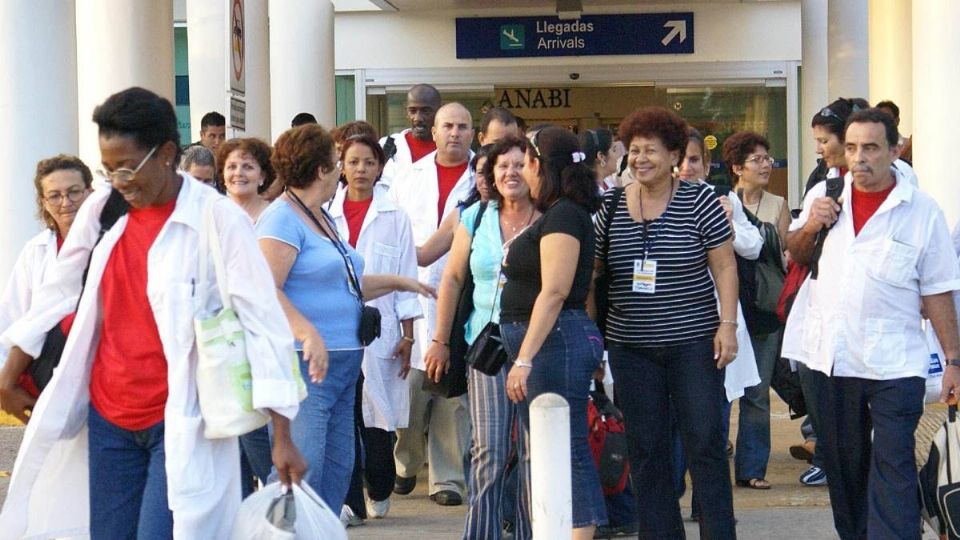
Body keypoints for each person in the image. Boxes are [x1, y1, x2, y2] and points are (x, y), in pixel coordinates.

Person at [0, 87, 306, 538]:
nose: (119, 181)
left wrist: (282, 434)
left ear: (166, 154)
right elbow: (56, 292)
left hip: (182, 418)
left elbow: (262, 321)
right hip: (109, 419)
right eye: (108, 170)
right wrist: (8, 376)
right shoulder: (104, 210)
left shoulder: (218, 220)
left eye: (127, 167)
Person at [782, 108, 960, 539]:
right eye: (853, 147)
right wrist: (812, 226)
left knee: (894, 461)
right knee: (845, 468)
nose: (859, 157)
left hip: (895, 362)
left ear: (895, 150)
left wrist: (954, 360)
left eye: (872, 147)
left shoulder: (921, 211)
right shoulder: (826, 195)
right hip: (831, 359)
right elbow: (796, 252)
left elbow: (938, 289)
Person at [257, 123, 433, 514]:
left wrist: (398, 282)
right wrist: (308, 333)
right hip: (307, 364)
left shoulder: (321, 216)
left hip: (345, 365)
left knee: (337, 470)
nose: (342, 169)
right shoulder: (281, 219)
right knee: (302, 470)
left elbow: (346, 284)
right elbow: (265, 290)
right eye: (337, 162)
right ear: (321, 169)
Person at [592, 107, 738, 538]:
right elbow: (593, 273)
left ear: (673, 154)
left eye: (650, 151)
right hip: (631, 347)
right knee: (646, 450)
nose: (640, 159)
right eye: (633, 151)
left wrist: (726, 325)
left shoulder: (700, 199)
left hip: (693, 344)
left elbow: (725, 267)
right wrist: (591, 340)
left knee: (705, 445)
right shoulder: (612, 205)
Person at [424, 135, 538, 540]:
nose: (511, 172)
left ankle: (527, 531)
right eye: (502, 165)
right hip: (485, 344)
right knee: (488, 448)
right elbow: (453, 278)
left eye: (520, 164)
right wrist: (439, 339)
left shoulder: (548, 217)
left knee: (531, 452)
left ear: (534, 170)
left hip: (536, 344)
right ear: (490, 173)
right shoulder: (474, 217)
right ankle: (481, 533)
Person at [498, 126, 604, 539]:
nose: (522, 171)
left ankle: (576, 532)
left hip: (554, 341)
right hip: (551, 340)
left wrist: (523, 358)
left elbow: (556, 290)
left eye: (526, 162)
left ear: (541, 165)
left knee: (565, 446)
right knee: (552, 446)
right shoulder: (561, 211)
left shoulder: (563, 215)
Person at [329, 134, 422, 522]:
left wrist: (408, 335)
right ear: (341, 166)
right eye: (353, 162)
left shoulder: (394, 216)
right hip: (335, 327)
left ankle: (379, 485)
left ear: (379, 167)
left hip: (381, 329)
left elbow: (405, 277)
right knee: (344, 416)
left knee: (379, 419)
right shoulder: (323, 212)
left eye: (368, 162)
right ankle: (350, 500)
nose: (361, 170)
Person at [389, 102, 475, 507]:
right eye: (448, 126)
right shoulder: (409, 176)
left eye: (462, 126)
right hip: (413, 290)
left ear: (472, 134)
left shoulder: (482, 176)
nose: (454, 133)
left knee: (451, 394)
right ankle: (405, 463)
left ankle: (448, 479)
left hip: (460, 295)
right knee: (410, 389)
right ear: (434, 133)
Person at [675, 128, 762, 519]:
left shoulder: (722, 200)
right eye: (680, 159)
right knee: (674, 417)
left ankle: (706, 504)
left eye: (695, 160)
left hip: (717, 321)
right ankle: (672, 491)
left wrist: (726, 222)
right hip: (672, 324)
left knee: (713, 416)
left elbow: (753, 246)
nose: (686, 168)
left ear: (707, 166)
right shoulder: (651, 201)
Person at [722, 130, 790, 492]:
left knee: (757, 391)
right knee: (719, 393)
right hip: (728, 308)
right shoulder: (719, 201)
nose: (767, 165)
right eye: (758, 160)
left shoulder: (778, 204)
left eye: (768, 158)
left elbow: (783, 257)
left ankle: (751, 467)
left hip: (763, 307)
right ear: (737, 168)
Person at [0, 155, 94, 371]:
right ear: (43, 202)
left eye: (74, 192)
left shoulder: (110, 242)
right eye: (54, 196)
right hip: (45, 371)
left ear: (90, 192)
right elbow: (12, 316)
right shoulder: (36, 251)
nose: (66, 202)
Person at [379, 84, 442, 188]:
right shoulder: (386, 146)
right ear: (406, 112)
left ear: (439, 111)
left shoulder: (449, 149)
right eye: (412, 111)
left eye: (425, 111)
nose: (418, 118)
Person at [216, 137, 274, 222]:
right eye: (232, 167)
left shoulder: (274, 216)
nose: (238, 173)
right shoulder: (213, 216)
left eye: (248, 167)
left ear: (262, 176)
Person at [578, 127, 624, 193]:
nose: (617, 156)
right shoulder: (588, 193)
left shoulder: (609, 184)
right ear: (601, 156)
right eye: (614, 150)